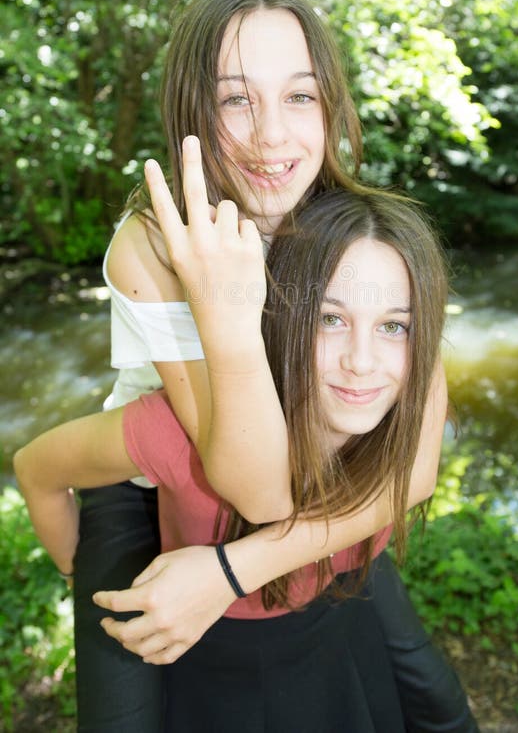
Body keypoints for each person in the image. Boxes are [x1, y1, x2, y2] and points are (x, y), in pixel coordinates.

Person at [66, 0, 477, 730]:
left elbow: (414, 468)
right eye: (235, 100)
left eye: (299, 97)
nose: (271, 138)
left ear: (331, 107)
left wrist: (232, 571)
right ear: (192, 112)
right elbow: (255, 490)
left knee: (433, 701)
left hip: (317, 468)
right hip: (159, 476)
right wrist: (224, 311)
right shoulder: (155, 243)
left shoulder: (349, 225)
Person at [16, 188, 459, 732]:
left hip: (330, 627)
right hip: (206, 659)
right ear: (283, 320)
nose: (362, 363)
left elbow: (415, 480)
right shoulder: (181, 432)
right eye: (329, 320)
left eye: (394, 326)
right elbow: (36, 468)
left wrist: (236, 570)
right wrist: (76, 570)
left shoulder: (405, 412)